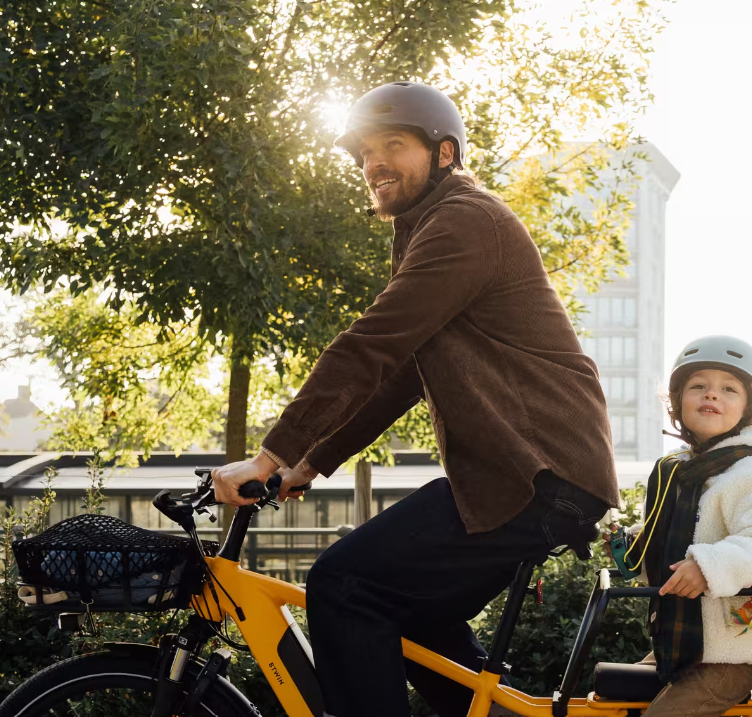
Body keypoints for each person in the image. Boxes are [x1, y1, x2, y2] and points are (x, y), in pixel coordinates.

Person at [208, 81, 619, 717]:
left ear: (445, 153)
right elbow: (399, 373)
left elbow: (372, 344)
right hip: (528, 476)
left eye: (392, 145)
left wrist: (268, 458)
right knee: (413, 618)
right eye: (365, 152)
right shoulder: (428, 227)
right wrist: (310, 463)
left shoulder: (463, 221)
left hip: (536, 472)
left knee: (343, 585)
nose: (373, 162)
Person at [617, 336, 752, 717]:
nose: (712, 395)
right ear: (677, 401)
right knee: (611, 700)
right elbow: (682, 540)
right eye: (698, 386)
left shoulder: (749, 471)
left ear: (749, 408)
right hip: (695, 643)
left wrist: (710, 566)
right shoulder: (688, 473)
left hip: (733, 652)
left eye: (728, 389)